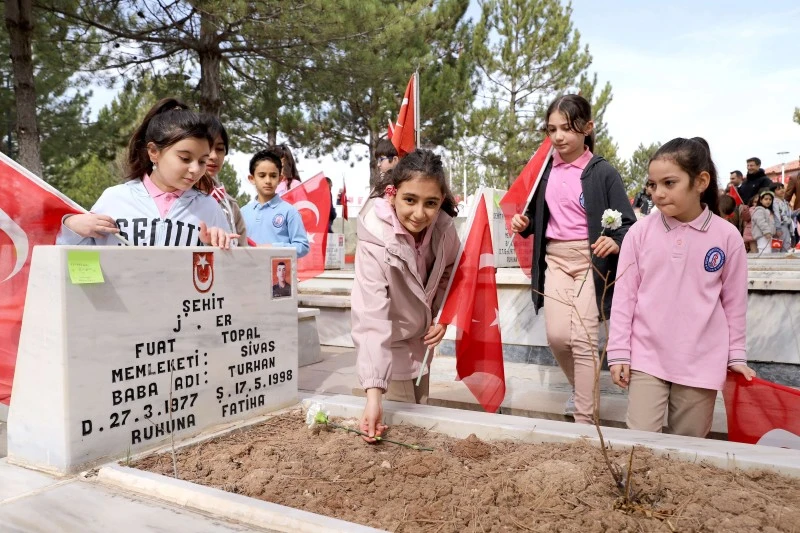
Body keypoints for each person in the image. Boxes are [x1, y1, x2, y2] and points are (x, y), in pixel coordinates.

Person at [607, 137, 755, 438]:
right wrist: (619, 351)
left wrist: (735, 355)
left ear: (701, 181)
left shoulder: (727, 237)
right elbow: (624, 297)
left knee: (687, 453)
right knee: (638, 446)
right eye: (653, 184)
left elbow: (734, 303)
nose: (658, 194)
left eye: (669, 183)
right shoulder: (639, 233)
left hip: (702, 361)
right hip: (647, 357)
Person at [510, 94, 636, 424]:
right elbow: (535, 216)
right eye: (552, 129)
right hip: (556, 261)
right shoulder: (544, 170)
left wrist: (613, 240)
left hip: (590, 262)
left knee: (583, 339)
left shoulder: (602, 172)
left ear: (587, 128)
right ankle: (580, 389)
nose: (559, 136)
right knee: (556, 337)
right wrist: (524, 225)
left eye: (567, 128)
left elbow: (627, 223)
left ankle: (584, 421)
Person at [352, 148, 460, 442]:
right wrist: (374, 393)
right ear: (392, 194)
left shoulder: (445, 230)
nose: (419, 213)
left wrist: (441, 317)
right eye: (409, 200)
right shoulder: (375, 240)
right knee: (399, 435)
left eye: (431, 203)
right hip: (388, 348)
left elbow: (451, 272)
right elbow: (370, 316)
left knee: (419, 421)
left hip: (422, 347)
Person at [57, 98, 236, 248]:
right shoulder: (115, 199)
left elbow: (233, 273)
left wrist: (218, 247)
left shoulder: (209, 207)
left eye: (202, 161)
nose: (196, 169)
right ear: (153, 152)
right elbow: (75, 261)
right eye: (185, 158)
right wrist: (72, 228)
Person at [241, 147, 310, 257]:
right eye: (262, 175)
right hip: (250, 272)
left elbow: (302, 246)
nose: (268, 181)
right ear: (252, 178)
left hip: (279, 272)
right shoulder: (242, 212)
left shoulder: (289, 212)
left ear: (280, 178)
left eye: (273, 176)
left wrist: (274, 248)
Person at [205, 115, 248, 246]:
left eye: (219, 149)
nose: (213, 156)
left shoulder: (230, 205)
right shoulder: (175, 198)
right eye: (207, 148)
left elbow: (243, 253)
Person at [751, 189, 775, 255]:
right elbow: (761, 222)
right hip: (762, 235)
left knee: (768, 251)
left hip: (768, 235)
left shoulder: (768, 211)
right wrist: (767, 232)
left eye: (770, 199)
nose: (768, 201)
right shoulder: (759, 210)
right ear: (761, 200)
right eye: (766, 199)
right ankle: (762, 265)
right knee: (764, 251)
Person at [773, 183, 793, 252]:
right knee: (777, 247)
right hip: (779, 226)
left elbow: (789, 215)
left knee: (786, 246)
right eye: (778, 189)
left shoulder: (785, 202)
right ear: (774, 192)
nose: (781, 190)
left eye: (782, 188)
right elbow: (776, 215)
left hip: (786, 226)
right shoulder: (774, 202)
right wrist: (778, 228)